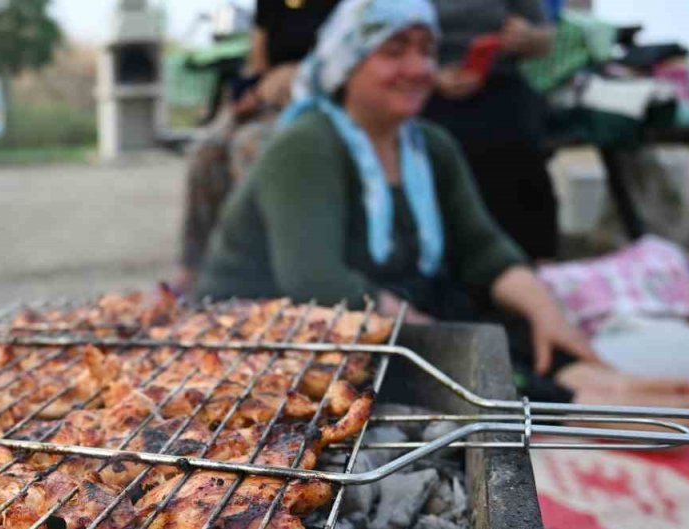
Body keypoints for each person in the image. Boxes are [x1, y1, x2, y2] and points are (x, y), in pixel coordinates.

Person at [196, 0, 598, 400]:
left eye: (427, 50)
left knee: (545, 352)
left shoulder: (429, 145)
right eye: (393, 51)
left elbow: (483, 250)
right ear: (346, 63)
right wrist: (452, 346)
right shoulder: (306, 145)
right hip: (259, 349)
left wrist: (547, 314)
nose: (419, 68)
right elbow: (318, 284)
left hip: (371, 325)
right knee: (540, 387)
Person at [180, 0, 342, 286]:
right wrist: (247, 94)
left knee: (251, 146)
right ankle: (197, 272)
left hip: (324, 103)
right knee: (205, 151)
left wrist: (298, 75)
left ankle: (264, 272)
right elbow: (258, 65)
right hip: (270, 102)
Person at [423, 0, 558, 260]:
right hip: (421, 87)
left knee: (516, 153)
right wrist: (432, 76)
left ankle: (526, 264)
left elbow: (546, 39)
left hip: (497, 82)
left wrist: (528, 38)